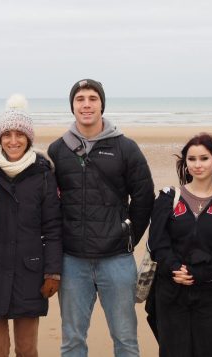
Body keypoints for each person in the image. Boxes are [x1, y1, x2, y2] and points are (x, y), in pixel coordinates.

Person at [48, 79, 155, 356]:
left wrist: (128, 234)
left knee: (125, 339)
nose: (86, 104)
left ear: (101, 104)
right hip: (72, 261)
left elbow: (144, 197)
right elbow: (48, 204)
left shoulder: (125, 147)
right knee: (72, 340)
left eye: (92, 98)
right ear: (72, 106)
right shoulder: (58, 150)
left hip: (116, 260)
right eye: (80, 98)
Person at [0, 94, 62, 357]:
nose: (13, 140)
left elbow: (52, 227)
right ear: (0, 138)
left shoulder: (43, 174)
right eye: (7, 134)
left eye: (20, 134)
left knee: (28, 349)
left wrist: (52, 272)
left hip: (30, 273)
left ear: (29, 138)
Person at [148, 133, 212, 357]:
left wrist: (198, 273)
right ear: (185, 163)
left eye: (204, 158)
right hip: (171, 290)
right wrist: (175, 269)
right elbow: (156, 241)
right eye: (192, 159)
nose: (198, 165)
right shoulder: (168, 198)